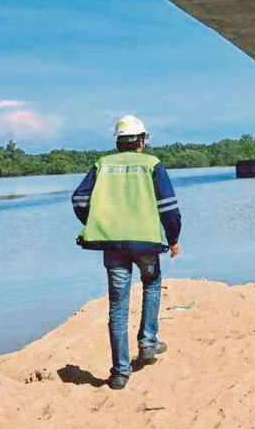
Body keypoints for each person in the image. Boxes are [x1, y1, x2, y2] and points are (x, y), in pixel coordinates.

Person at [72, 115, 182, 390]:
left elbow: (79, 199)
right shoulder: (152, 164)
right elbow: (169, 208)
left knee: (118, 306)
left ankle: (120, 372)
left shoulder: (102, 164)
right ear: (142, 140)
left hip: (112, 244)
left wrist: (94, 222)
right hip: (145, 242)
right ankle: (148, 343)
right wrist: (174, 238)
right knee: (152, 285)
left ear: (119, 142)